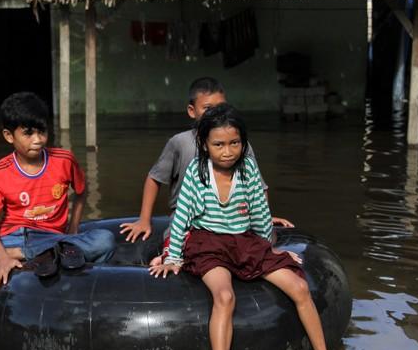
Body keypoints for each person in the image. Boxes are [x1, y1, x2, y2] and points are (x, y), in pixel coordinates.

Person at [148, 104, 349, 350]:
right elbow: (183, 216)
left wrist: (275, 254)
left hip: (244, 242)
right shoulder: (196, 172)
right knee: (225, 296)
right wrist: (172, 256)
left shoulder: (249, 170)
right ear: (204, 144)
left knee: (298, 286)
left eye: (234, 143)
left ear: (243, 142)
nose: (227, 151)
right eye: (218, 144)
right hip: (206, 242)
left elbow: (259, 217)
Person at [0, 92, 116, 350]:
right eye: (28, 133)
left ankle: (27, 255)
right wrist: (3, 257)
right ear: (9, 136)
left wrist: (73, 229)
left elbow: (81, 192)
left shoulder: (63, 160)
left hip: (51, 240)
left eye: (42, 131)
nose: (38, 139)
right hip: (9, 240)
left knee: (104, 240)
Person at [119, 77, 292, 259]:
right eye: (208, 108)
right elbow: (154, 178)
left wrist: (262, 216)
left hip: (233, 214)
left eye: (221, 107)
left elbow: (257, 186)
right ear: (192, 111)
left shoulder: (240, 145)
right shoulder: (181, 143)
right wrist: (144, 220)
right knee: (179, 246)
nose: (215, 113)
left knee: (265, 241)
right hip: (189, 216)